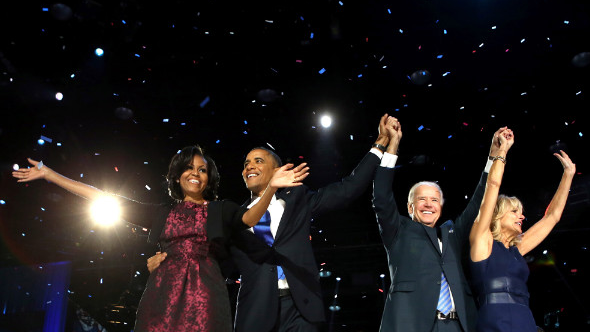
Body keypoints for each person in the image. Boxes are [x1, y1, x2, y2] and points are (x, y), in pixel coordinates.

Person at [12, 145, 309, 332]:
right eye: (190, 168)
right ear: (177, 175)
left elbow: (249, 219)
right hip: (161, 294)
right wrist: (50, 175)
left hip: (205, 294)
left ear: (210, 178)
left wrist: (270, 186)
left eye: (203, 169)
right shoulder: (161, 213)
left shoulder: (220, 209)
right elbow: (104, 196)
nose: (196, 174)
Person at [149, 114, 394, 331]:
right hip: (255, 312)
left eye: (258, 161)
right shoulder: (233, 216)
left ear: (277, 169)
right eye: (246, 164)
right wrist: (167, 260)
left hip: (301, 307)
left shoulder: (299, 199)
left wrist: (379, 144)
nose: (249, 167)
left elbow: (348, 189)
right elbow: (207, 257)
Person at [372, 119, 511, 332]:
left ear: (441, 207)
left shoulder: (452, 233)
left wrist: (494, 157)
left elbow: (478, 204)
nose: (429, 204)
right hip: (414, 325)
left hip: (459, 325)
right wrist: (391, 147)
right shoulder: (398, 230)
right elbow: (381, 197)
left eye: (435, 200)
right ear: (410, 207)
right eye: (422, 199)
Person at [468, 131, 575, 332]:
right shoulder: (483, 242)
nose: (522, 216)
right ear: (497, 216)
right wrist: (502, 152)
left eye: (522, 212)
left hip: (524, 320)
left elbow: (552, 217)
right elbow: (493, 185)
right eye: (514, 211)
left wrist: (568, 175)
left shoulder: (517, 250)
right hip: (494, 322)